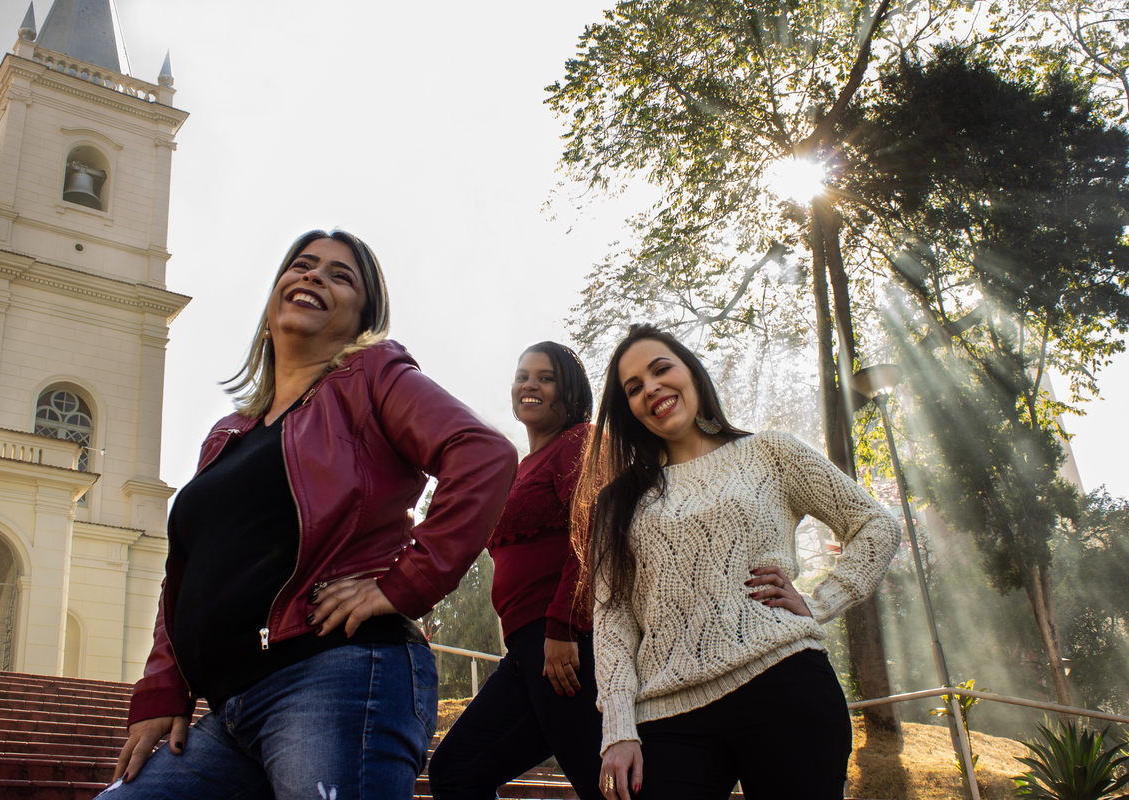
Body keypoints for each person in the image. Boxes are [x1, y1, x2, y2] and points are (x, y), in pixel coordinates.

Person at [102, 230, 518, 800]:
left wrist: (404, 584)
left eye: (340, 275)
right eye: (301, 265)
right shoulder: (226, 436)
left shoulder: (371, 377)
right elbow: (186, 577)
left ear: (362, 317)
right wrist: (161, 691)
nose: (314, 276)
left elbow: (484, 456)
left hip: (339, 677)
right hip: (229, 712)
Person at [578, 324, 900, 800]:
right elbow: (612, 618)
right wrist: (618, 729)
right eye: (633, 388)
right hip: (667, 713)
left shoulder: (771, 452)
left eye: (661, 369)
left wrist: (821, 601)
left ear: (691, 372)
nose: (651, 388)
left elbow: (877, 526)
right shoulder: (618, 502)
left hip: (784, 685)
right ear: (629, 410)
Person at [428, 342, 603, 799]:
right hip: (528, 649)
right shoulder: (522, 466)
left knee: (601, 784)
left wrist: (563, 626)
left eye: (545, 378)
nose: (530, 384)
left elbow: (594, 530)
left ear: (569, 393)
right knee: (454, 771)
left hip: (565, 642)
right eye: (523, 375)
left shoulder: (580, 441)